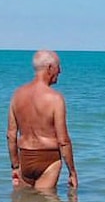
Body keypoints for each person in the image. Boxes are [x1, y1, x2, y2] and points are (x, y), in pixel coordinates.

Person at [7, 50, 78, 190]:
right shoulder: (55, 99)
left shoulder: (17, 95)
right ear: (50, 68)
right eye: (58, 66)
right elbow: (63, 141)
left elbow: (10, 135)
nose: (60, 71)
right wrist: (72, 172)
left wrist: (15, 166)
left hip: (25, 158)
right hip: (48, 158)